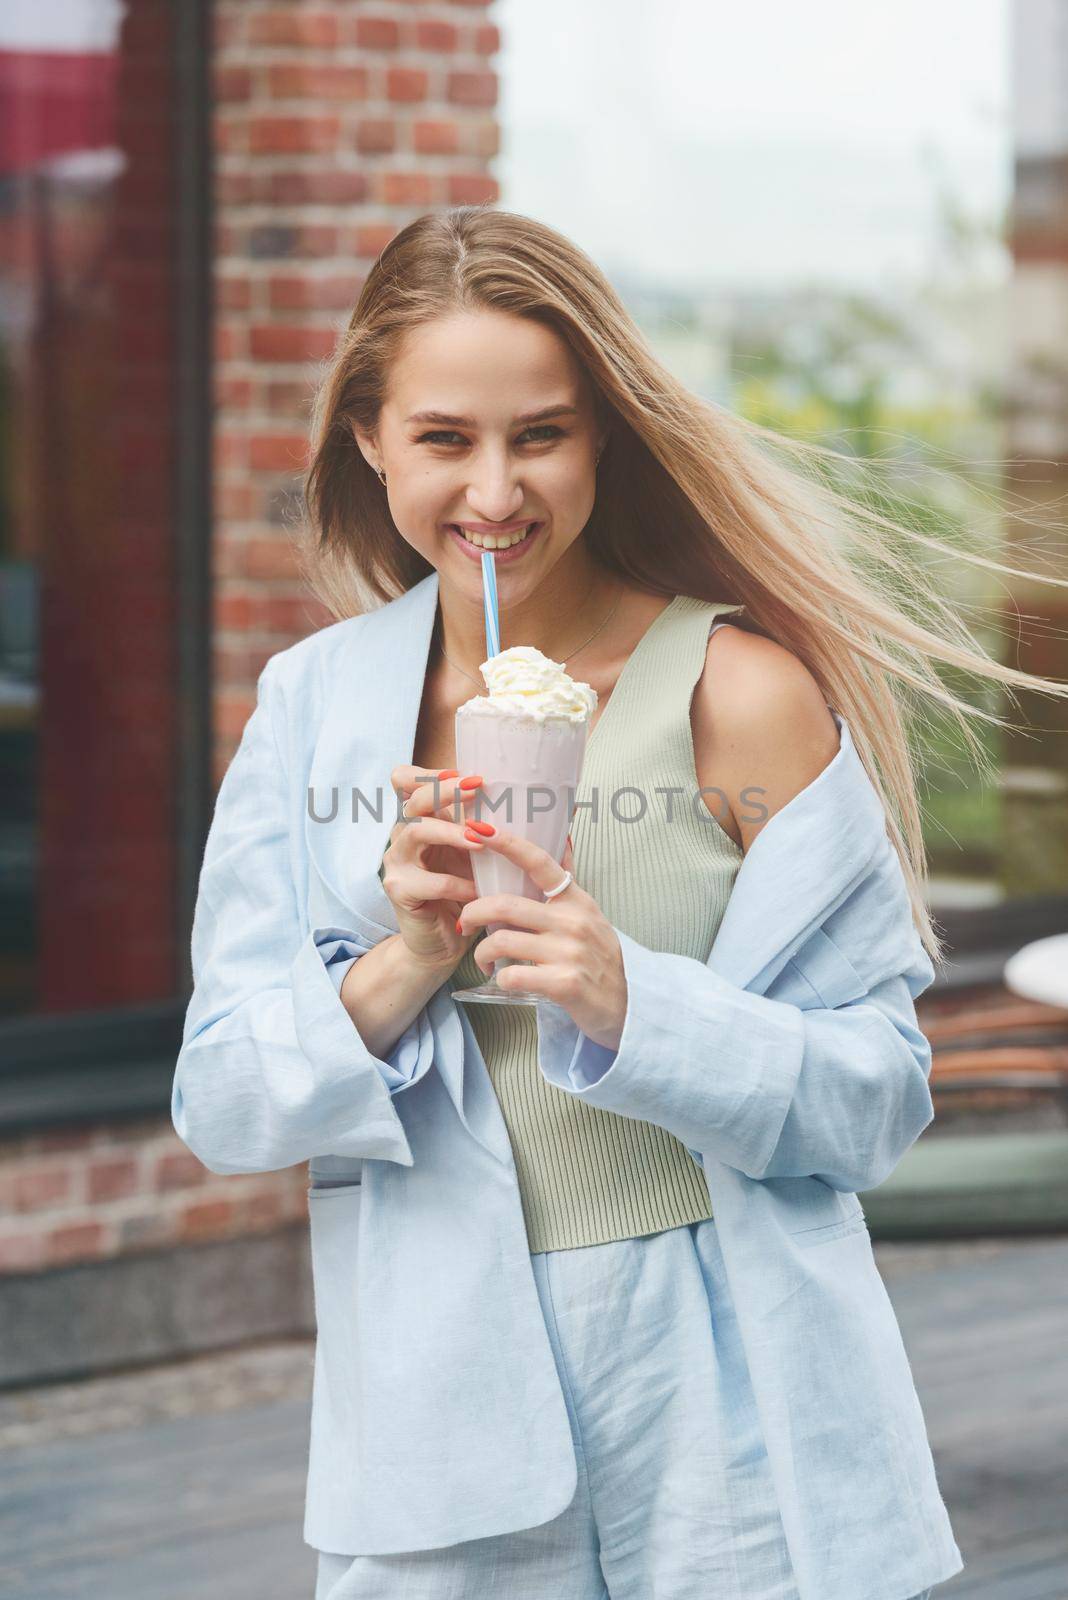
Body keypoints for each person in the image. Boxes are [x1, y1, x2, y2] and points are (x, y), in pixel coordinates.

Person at [173, 206, 1068, 1600]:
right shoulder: (314, 714)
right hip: (438, 1407)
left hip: (730, 1398)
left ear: (604, 436)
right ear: (368, 439)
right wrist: (402, 964)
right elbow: (225, 1103)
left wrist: (632, 1001)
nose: (493, 494)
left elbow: (876, 1100)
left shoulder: (739, 694)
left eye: (541, 435)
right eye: (444, 440)